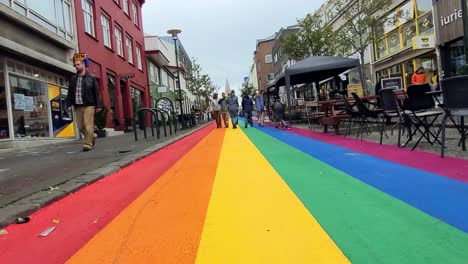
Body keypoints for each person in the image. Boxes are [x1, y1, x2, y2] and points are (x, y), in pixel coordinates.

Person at [67, 59, 102, 152]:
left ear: (83, 65)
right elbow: (70, 92)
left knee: (88, 125)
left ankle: (88, 144)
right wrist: (69, 104)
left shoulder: (91, 78)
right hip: (77, 106)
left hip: (89, 105)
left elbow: (96, 93)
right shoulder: (73, 78)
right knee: (81, 126)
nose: (76, 66)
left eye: (78, 64)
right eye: (75, 65)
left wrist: (98, 105)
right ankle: (92, 136)